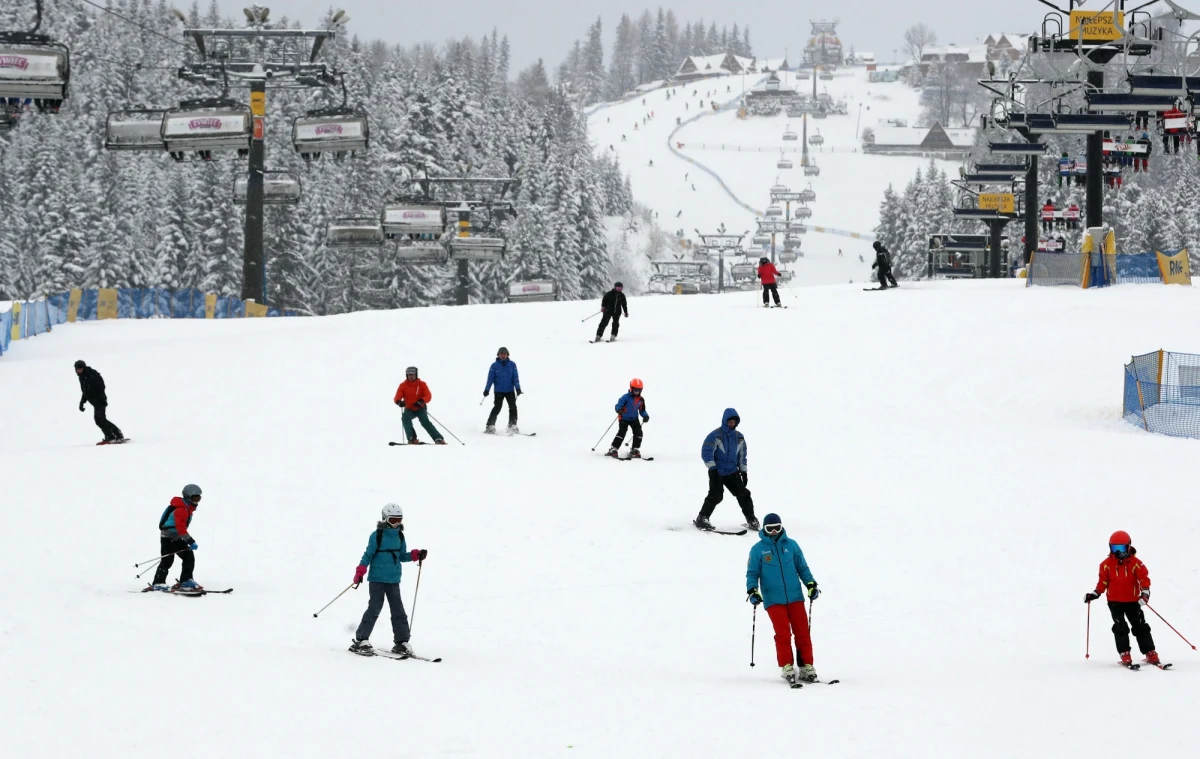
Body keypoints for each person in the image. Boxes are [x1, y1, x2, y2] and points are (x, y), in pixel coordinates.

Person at [746, 513, 820, 684]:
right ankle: (787, 665)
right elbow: (752, 573)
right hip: (773, 599)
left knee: (802, 632)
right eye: (769, 529)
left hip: (795, 596)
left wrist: (810, 584)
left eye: (777, 528)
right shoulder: (757, 550)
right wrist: (752, 590)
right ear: (764, 529)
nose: (773, 532)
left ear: (782, 527)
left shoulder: (792, 545)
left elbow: (802, 567)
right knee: (783, 633)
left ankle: (806, 665)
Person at [349, 504, 428, 656]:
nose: (396, 523)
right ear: (385, 518)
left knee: (398, 610)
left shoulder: (400, 535)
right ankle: (361, 640)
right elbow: (368, 555)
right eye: (393, 520)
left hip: (393, 579)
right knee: (375, 608)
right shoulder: (377, 535)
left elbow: (401, 556)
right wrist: (360, 571)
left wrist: (415, 555)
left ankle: (401, 642)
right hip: (377, 579)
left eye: (399, 520)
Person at [1084, 530, 1160, 667]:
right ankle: (1125, 653)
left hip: (1132, 601)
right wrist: (1095, 593)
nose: (1118, 552)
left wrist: (1145, 594)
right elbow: (1103, 582)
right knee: (1120, 627)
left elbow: (1144, 579)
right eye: (1114, 548)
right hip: (1114, 602)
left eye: (1121, 548)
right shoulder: (1106, 564)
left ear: (1129, 546)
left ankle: (1150, 652)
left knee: (1140, 626)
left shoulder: (1135, 563)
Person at [694, 408, 758, 531]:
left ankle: (751, 519)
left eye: (734, 422)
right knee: (716, 495)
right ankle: (702, 517)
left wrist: (743, 471)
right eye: (729, 421)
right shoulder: (715, 435)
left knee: (744, 494)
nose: (732, 424)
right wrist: (712, 468)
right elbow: (706, 451)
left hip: (732, 472)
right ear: (724, 421)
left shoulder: (739, 437)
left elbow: (742, 455)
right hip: (717, 471)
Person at [152, 484, 202, 591]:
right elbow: (180, 528)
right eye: (195, 498)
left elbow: (180, 529)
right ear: (188, 497)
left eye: (199, 498)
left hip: (177, 537)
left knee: (188, 556)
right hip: (168, 538)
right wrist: (190, 541)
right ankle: (158, 583)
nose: (197, 501)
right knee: (167, 560)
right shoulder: (181, 509)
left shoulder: (187, 508)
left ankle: (186, 580)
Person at [75, 360, 124, 444]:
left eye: (80, 368)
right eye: (77, 369)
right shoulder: (82, 376)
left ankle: (111, 436)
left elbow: (101, 386)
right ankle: (117, 434)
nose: (79, 370)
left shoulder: (91, 374)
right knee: (101, 419)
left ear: (84, 367)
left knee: (99, 419)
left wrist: (101, 398)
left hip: (99, 400)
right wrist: (82, 402)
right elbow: (85, 391)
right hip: (95, 401)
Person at [393, 367, 446, 445]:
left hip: (420, 407)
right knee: (405, 418)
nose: (411, 376)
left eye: (413, 375)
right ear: (406, 375)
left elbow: (428, 395)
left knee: (425, 422)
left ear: (416, 375)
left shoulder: (422, 384)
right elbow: (397, 396)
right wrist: (398, 402)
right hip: (409, 408)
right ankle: (412, 438)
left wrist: (422, 401)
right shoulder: (403, 385)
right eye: (409, 375)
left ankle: (438, 438)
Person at [483, 347, 522, 434]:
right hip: (499, 391)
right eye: (501, 354)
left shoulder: (512, 365)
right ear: (498, 355)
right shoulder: (494, 366)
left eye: (504, 354)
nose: (503, 355)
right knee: (497, 407)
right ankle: (490, 426)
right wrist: (486, 390)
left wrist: (518, 388)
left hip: (510, 391)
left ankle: (512, 426)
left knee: (513, 408)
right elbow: (490, 379)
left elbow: (515, 377)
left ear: (507, 354)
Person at [607, 378, 649, 458]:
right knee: (622, 432)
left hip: (634, 418)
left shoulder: (641, 399)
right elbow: (618, 405)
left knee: (639, 433)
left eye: (639, 390)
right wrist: (619, 410)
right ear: (631, 388)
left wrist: (645, 416)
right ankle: (614, 448)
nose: (637, 392)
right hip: (624, 418)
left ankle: (635, 449)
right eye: (635, 390)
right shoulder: (625, 397)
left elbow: (642, 410)